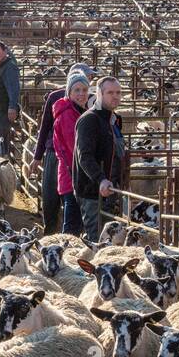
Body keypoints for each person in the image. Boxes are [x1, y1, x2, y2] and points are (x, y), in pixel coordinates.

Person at [31, 62, 92, 234]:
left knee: (70, 202)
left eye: (87, 82)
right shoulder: (56, 98)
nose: (82, 91)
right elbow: (45, 127)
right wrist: (38, 155)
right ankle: (50, 230)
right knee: (53, 194)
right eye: (77, 87)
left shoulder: (90, 100)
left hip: (73, 157)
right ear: (69, 84)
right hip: (56, 153)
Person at [73, 76, 124, 242]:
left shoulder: (113, 120)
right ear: (99, 95)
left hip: (111, 191)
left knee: (110, 240)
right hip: (92, 193)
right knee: (97, 240)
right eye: (110, 92)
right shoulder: (89, 120)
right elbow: (84, 155)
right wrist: (100, 179)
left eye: (118, 92)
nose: (115, 96)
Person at [52, 69, 92, 235]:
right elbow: (74, 147)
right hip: (73, 175)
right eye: (77, 90)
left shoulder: (79, 111)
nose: (81, 94)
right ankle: (66, 256)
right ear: (69, 92)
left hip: (77, 175)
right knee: (72, 225)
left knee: (76, 223)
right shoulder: (68, 114)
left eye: (84, 90)